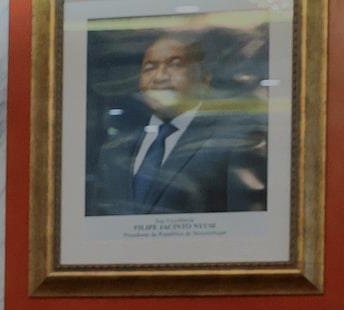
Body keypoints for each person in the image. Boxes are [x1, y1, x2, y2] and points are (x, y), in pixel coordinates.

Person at [88, 32, 267, 216]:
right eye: (149, 68)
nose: (159, 77)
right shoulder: (114, 152)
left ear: (204, 79)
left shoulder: (231, 142)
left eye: (175, 65)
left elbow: (243, 221)